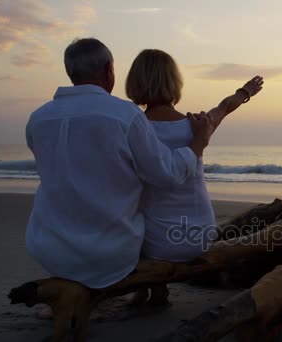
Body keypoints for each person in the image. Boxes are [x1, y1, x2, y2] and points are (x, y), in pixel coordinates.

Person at [24, 38, 212, 290]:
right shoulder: (126, 115)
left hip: (47, 250)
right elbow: (167, 174)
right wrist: (199, 143)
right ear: (109, 70)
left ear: (70, 72)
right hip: (108, 252)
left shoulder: (38, 118)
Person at [125, 49, 263, 303]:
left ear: (135, 83)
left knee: (132, 207)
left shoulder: (133, 130)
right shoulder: (197, 125)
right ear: (174, 83)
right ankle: (155, 289)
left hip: (159, 244)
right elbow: (224, 107)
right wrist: (245, 92)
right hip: (200, 234)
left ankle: (148, 289)